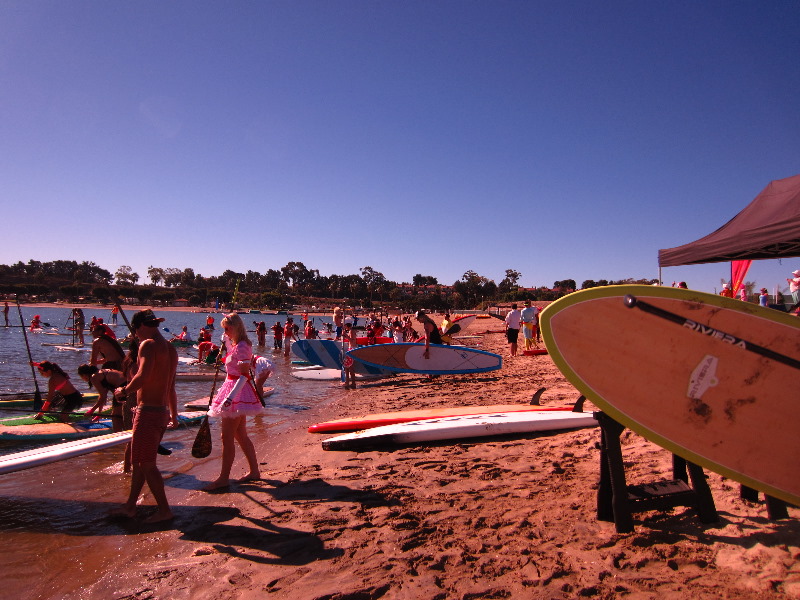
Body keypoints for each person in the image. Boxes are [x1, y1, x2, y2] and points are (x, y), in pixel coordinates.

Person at [109, 309, 178, 523]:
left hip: (148, 411)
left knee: (146, 463)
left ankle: (164, 511)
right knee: (138, 461)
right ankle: (130, 506)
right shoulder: (170, 348)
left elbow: (143, 375)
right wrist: (173, 414)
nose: (136, 336)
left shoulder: (147, 344)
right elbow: (171, 385)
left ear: (139, 327)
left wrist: (123, 391)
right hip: (161, 412)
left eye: (135, 332)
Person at [204, 313, 263, 490]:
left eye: (227, 328)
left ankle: (223, 478)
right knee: (240, 435)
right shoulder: (237, 344)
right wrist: (227, 345)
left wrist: (230, 398)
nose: (225, 331)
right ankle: (254, 472)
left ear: (235, 327)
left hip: (236, 390)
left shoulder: (243, 346)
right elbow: (233, 359)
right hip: (232, 387)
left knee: (227, 437)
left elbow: (244, 373)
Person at [78, 363, 127, 430]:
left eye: (81, 377)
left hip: (123, 388)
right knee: (120, 415)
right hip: (129, 386)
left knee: (115, 416)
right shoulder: (100, 373)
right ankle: (125, 431)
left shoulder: (94, 377)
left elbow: (103, 397)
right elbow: (103, 396)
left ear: (84, 375)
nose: (83, 379)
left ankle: (118, 435)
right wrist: (99, 414)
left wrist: (92, 410)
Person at [343, 323, 358, 388]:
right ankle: (349, 382)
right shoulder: (352, 331)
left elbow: (351, 340)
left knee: (348, 367)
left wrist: (346, 335)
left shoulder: (351, 331)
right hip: (352, 348)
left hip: (352, 349)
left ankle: (349, 382)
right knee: (348, 366)